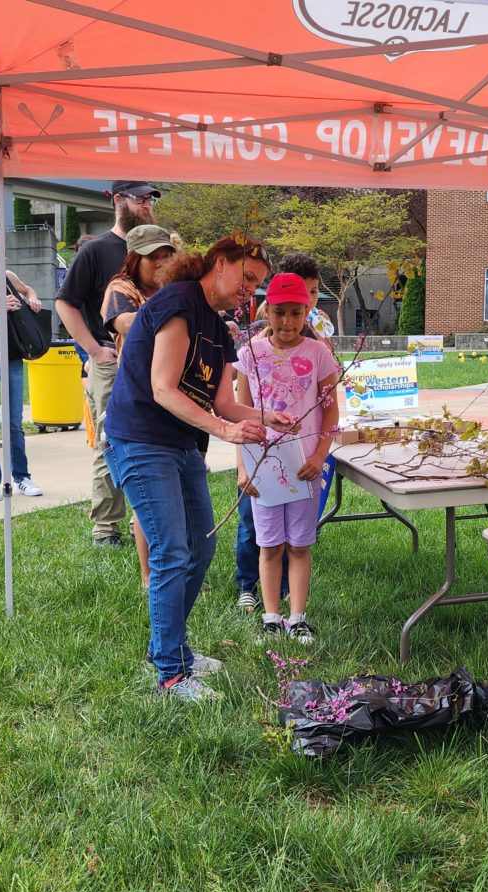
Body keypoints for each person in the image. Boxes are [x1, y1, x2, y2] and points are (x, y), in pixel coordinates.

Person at [103, 234, 291, 702]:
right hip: (140, 438)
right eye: (247, 278)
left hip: (181, 443)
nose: (251, 291)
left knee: (201, 548)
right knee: (171, 550)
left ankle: (170, 649)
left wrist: (266, 418)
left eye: (257, 284)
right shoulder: (179, 302)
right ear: (220, 263)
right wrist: (225, 433)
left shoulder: (220, 326)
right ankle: (170, 673)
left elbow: (225, 401)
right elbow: (164, 388)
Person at [56, 180, 161, 548]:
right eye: (140, 198)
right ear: (119, 201)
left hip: (157, 363)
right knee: (111, 440)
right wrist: (93, 351)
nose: (147, 204)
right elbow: (65, 302)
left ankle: (147, 518)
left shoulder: (160, 248)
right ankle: (105, 528)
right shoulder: (97, 250)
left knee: (153, 441)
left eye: (151, 199)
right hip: (112, 360)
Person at [236, 273, 339, 644]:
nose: (288, 322)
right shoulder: (250, 354)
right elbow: (241, 411)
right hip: (263, 464)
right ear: (268, 312)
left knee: (298, 544)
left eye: (296, 313)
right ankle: (270, 615)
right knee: (269, 544)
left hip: (305, 465)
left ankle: (297, 616)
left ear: (307, 311)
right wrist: (243, 466)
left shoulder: (319, 354)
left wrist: (319, 454)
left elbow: (330, 413)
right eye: (280, 313)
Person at [101, 224, 177, 586]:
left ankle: (174, 570)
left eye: (166, 255)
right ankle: (150, 576)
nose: (161, 263)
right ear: (134, 259)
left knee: (173, 494)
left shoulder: (172, 290)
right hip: (138, 404)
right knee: (147, 499)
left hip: (174, 400)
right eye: (153, 257)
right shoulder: (121, 288)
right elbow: (127, 323)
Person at [0, 233, 44, 502]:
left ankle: (21, 477)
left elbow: (28, 289)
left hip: (13, 359)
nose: (1, 257)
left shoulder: (7, 277)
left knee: (15, 424)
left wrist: (31, 298)